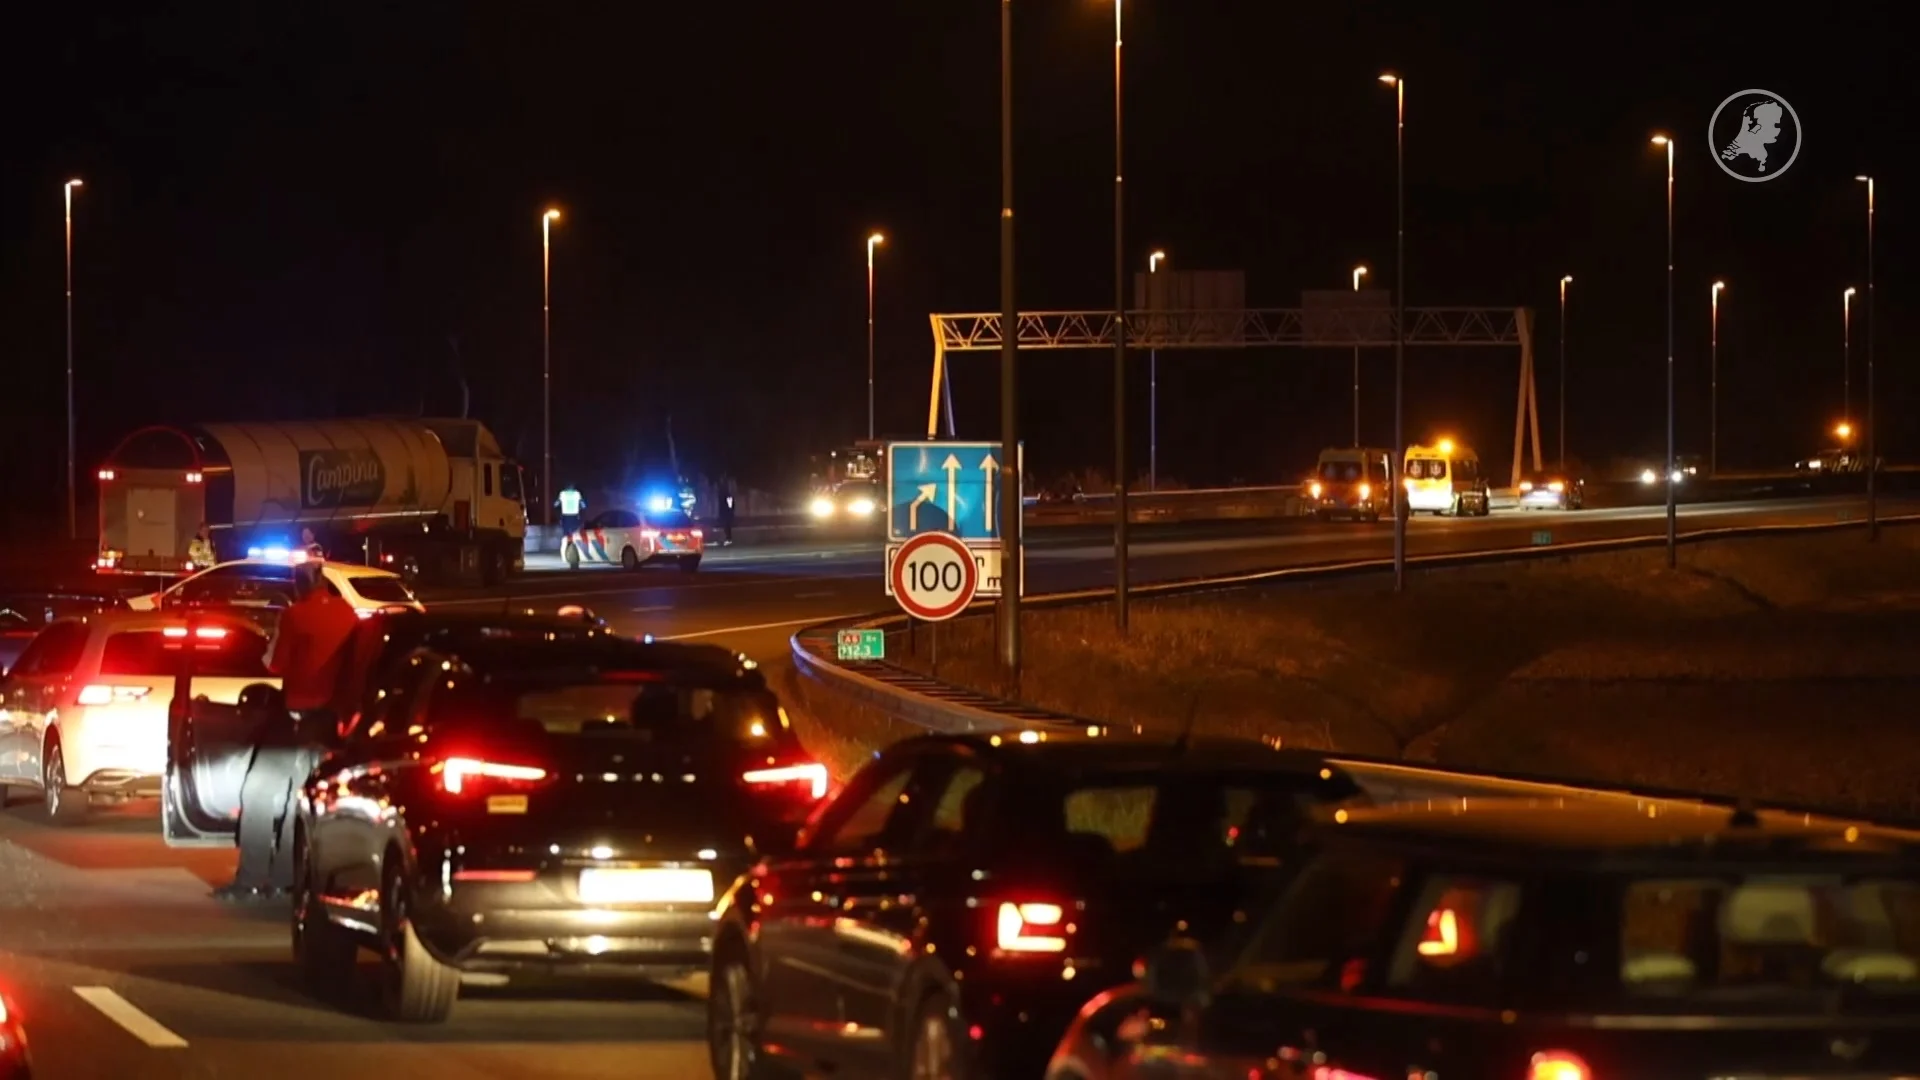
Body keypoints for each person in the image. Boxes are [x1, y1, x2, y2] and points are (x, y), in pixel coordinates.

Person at [216, 562, 358, 903]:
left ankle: (251, 878)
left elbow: (274, 664)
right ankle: (286, 877)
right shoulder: (348, 613)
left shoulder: (295, 615)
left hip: (297, 717)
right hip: (330, 722)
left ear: (299, 587)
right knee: (301, 798)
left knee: (258, 794)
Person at [717, 476, 736, 546]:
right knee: (726, 526)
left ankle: (728, 539)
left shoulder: (726, 495)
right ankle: (727, 538)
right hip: (726, 512)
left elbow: (730, 505)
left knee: (727, 526)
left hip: (727, 513)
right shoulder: (725, 495)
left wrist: (730, 511)